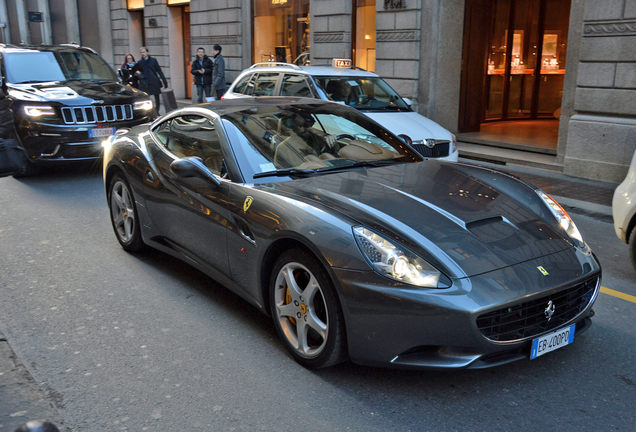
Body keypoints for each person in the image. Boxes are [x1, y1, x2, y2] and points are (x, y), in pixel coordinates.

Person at [137, 47, 168, 113]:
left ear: (147, 52)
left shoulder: (153, 60)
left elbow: (159, 71)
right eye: (141, 52)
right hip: (145, 83)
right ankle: (149, 111)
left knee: (157, 97)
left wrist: (164, 81)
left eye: (144, 52)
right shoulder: (140, 62)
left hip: (154, 81)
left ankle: (157, 111)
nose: (143, 54)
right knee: (146, 98)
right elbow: (137, 72)